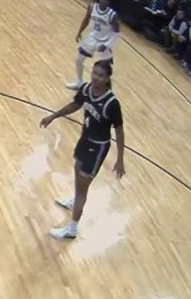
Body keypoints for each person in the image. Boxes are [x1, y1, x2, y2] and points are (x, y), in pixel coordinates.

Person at [39, 61, 126, 240]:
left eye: (100, 75)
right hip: (85, 139)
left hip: (98, 146)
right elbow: (75, 105)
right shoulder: (86, 89)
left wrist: (120, 159)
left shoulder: (112, 103)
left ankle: (72, 229)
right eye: (94, 73)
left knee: (82, 188)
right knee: (77, 169)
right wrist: (53, 116)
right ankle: (75, 201)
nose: (95, 77)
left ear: (107, 78)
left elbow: (119, 130)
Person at [67, 0, 120, 89]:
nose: (103, 1)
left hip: (104, 42)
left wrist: (107, 45)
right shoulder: (92, 7)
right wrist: (79, 32)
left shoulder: (113, 15)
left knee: (105, 69)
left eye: (106, 0)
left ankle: (106, 89)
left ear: (109, 2)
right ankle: (79, 82)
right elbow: (86, 20)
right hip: (92, 38)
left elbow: (116, 34)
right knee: (79, 60)